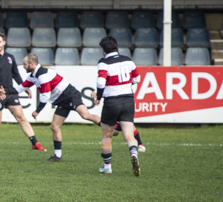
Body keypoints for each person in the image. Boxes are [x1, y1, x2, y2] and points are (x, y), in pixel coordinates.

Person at [15, 54, 101, 162]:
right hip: (62, 101)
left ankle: (112, 126)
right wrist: (4, 91)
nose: (23, 66)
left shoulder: (43, 75)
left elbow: (45, 96)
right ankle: (57, 156)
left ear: (31, 64)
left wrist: (37, 111)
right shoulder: (33, 76)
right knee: (54, 126)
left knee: (85, 115)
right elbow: (19, 88)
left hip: (70, 95)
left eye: (25, 64)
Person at [0, 33, 46, 152]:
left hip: (10, 92)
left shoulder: (10, 57)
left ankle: (35, 143)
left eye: (0, 42)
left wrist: (24, 87)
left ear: (4, 43)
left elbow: (15, 74)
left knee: (21, 117)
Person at [92, 36, 141, 176]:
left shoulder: (103, 62)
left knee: (107, 135)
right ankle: (134, 153)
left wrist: (99, 97)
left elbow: (101, 82)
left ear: (103, 50)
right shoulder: (127, 60)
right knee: (129, 134)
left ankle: (107, 167)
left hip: (112, 102)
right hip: (128, 100)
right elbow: (137, 78)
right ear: (116, 47)